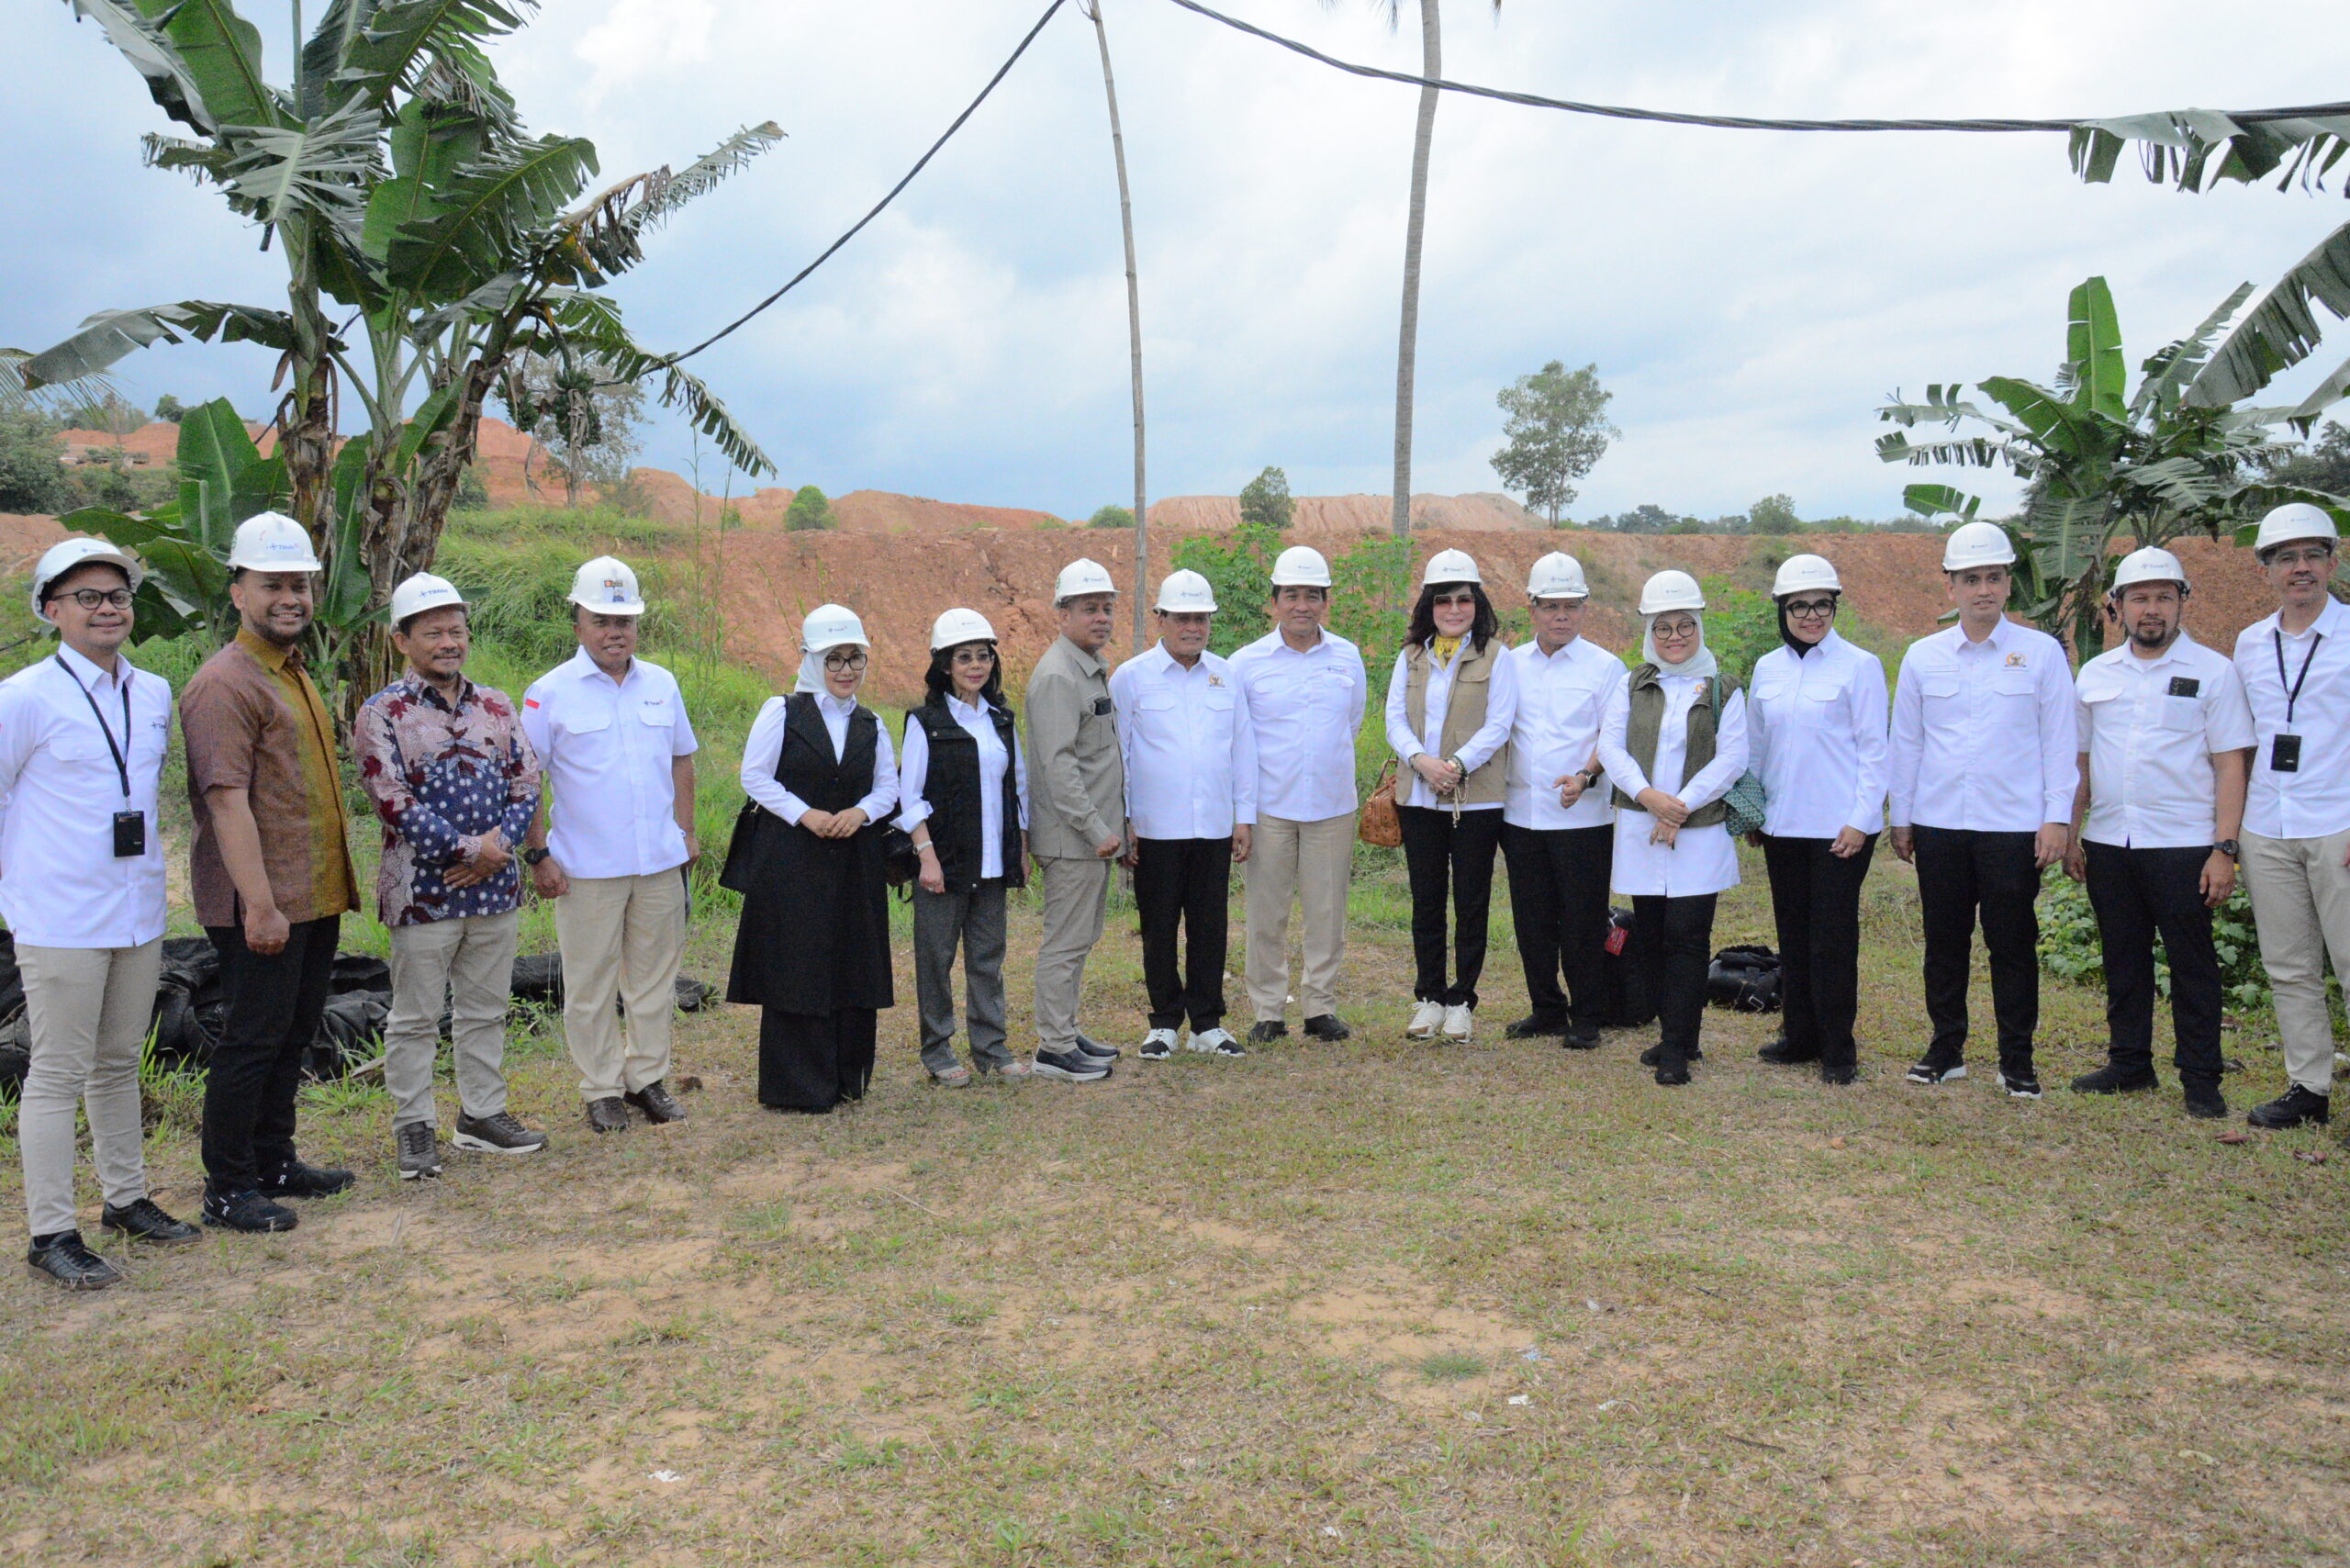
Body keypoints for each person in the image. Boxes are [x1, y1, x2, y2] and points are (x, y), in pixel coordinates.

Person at [4, 540, 196, 1287]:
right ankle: (50, 1232)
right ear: (52, 609)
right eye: (87, 597)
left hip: (137, 907)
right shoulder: (24, 697)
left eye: (117, 596)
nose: (107, 608)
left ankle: (126, 1198)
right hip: (59, 915)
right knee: (57, 1070)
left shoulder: (152, 692)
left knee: (118, 1060)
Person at [180, 512, 361, 1232]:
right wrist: (258, 905)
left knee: (293, 1033)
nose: (290, 598)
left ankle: (275, 1162)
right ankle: (227, 1187)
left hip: (311, 892)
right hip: (261, 901)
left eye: (300, 585)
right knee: (253, 1040)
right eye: (272, 585)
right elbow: (226, 802)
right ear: (237, 593)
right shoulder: (224, 684)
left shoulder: (290, 671)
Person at [355, 573, 550, 1180]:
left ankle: (481, 1115)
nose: (448, 643)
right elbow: (390, 799)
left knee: (485, 1009)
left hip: (495, 891)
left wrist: (499, 849)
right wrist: (470, 849)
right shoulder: (382, 712)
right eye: (434, 633)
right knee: (415, 1018)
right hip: (422, 893)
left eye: (457, 631)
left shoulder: (496, 704)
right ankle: (414, 1127)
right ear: (402, 640)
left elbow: (527, 779)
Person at [1887, 521, 2077, 1099]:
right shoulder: (1923, 657)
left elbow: (2059, 741)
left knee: (2012, 945)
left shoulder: (2040, 654)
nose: (1983, 589)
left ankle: (2016, 1059)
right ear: (1950, 586)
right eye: (1970, 579)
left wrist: (2057, 818)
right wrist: (1902, 816)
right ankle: (1946, 1050)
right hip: (1940, 824)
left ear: (2008, 583)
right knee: (1944, 943)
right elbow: (1908, 742)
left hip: (2012, 828)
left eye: (1994, 577)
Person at [2064, 547, 2254, 1120]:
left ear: (2182, 602)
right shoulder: (2096, 674)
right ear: (2117, 606)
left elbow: (2230, 765)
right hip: (2110, 843)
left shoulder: (2214, 672)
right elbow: (2081, 762)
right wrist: (2072, 834)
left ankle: (2201, 1078)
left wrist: (2224, 849)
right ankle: (2129, 1064)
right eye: (2140, 598)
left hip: (2184, 845)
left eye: (2164, 597)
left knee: (2192, 965)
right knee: (2123, 959)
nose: (2152, 609)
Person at [520, 556, 699, 1135]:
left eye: (624, 620)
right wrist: (538, 854)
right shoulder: (549, 693)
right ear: (578, 623)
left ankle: (646, 1079)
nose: (614, 631)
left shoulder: (662, 684)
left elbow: (681, 759)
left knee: (654, 982)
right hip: (587, 869)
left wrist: (687, 831)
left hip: (658, 863)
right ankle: (600, 1088)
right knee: (590, 985)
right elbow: (527, 779)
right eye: (601, 620)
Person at [729, 605, 899, 1113]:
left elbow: (888, 786)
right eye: (834, 659)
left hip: (855, 861)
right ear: (810, 660)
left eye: (854, 658)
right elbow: (754, 775)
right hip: (792, 860)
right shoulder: (781, 711)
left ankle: (848, 1078)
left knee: (853, 959)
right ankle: (799, 1086)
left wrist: (862, 813)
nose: (846, 670)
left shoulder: (872, 722)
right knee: (796, 963)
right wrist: (804, 814)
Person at [1596, 571, 1750, 1086]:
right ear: (1649, 631)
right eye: (1663, 627)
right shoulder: (1633, 684)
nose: (1675, 636)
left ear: (1699, 627)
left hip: (1697, 830)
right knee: (1654, 935)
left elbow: (1733, 757)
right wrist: (1650, 798)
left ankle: (1679, 1049)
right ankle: (1674, 1033)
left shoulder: (1725, 687)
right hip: (1643, 827)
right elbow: (1611, 747)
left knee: (1687, 937)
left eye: (1685, 625)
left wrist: (1678, 806)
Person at [1746, 554, 1889, 1086]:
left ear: (1835, 607)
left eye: (1822, 605)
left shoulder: (1860, 666)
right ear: (1782, 610)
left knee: (1832, 940)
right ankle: (1798, 1036)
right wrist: (1754, 811)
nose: (1811, 616)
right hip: (1781, 827)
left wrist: (1861, 821)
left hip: (1839, 831)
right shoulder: (1767, 668)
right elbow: (1756, 748)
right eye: (1799, 606)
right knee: (1793, 934)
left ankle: (1837, 1047)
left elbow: (1876, 752)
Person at [2232, 502, 2350, 1130]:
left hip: (2338, 823)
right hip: (2267, 825)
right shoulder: (2252, 643)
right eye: (2285, 558)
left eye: (2311, 555)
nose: (2299, 567)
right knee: (2289, 967)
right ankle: (2309, 1087)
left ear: (2332, 562)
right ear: (2266, 571)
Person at [1110, 569, 1257, 1059]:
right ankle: (1164, 1023)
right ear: (1160, 619)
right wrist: (1125, 819)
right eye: (1183, 618)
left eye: (1201, 619)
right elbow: (1119, 755)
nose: (1193, 627)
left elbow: (1242, 749)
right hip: (1155, 828)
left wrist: (1243, 816)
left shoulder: (1226, 675)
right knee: (1158, 927)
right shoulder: (1131, 678)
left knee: (1210, 926)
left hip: (1213, 824)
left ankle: (1207, 1023)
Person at [1229, 545, 1370, 1045]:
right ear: (1274, 602)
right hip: (1269, 808)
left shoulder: (1347, 656)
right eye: (1291, 595)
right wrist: (1242, 813)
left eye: (1313, 595)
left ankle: (1320, 1007)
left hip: (1331, 807)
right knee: (1266, 914)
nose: (1302, 606)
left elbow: (1351, 723)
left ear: (1326, 602)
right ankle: (1268, 1010)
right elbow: (1238, 740)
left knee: (1326, 914)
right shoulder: (1246, 663)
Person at [1384, 548, 1517, 1042]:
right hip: (1419, 798)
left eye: (1464, 599)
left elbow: (1499, 724)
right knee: (1426, 901)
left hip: (1476, 801)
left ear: (1477, 604)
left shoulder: (1497, 657)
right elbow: (1394, 719)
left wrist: (1456, 766)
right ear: (1430, 606)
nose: (1454, 609)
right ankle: (1429, 998)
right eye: (1444, 600)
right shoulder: (1411, 657)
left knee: (1471, 901)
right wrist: (1422, 762)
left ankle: (1462, 1000)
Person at [1500, 551, 1626, 1051]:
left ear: (1584, 608)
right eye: (1550, 606)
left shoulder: (1606, 668)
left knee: (1582, 921)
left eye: (1571, 606)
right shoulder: (1510, 664)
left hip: (1584, 818)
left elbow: (1612, 737)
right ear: (1531, 608)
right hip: (1520, 816)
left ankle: (1587, 1014)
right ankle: (1546, 1008)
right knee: (1532, 921)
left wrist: (1586, 776)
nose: (1561, 617)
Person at [901, 608, 1031, 1087]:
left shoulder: (1001, 720)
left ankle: (991, 1049)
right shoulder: (925, 722)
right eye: (964, 657)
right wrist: (927, 857)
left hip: (994, 861)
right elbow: (910, 796)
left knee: (987, 958)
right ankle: (937, 1051)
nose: (975, 666)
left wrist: (1022, 849)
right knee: (936, 959)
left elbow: (1018, 788)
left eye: (983, 656)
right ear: (944, 665)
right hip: (945, 862)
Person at [1024, 559, 1128, 1081]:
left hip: (1091, 835)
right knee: (1065, 942)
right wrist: (1095, 829)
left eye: (1107, 607)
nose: (1101, 617)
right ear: (1062, 614)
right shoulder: (1058, 676)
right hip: (1074, 838)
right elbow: (1058, 766)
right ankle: (1054, 1048)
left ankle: (1066, 1030)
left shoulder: (1087, 666)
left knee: (1080, 938)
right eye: (1090, 608)